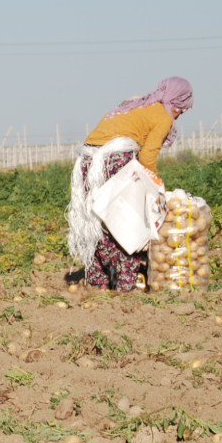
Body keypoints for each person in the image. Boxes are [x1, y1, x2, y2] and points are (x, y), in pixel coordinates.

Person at [68, 77, 193, 291]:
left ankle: (99, 278)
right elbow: (148, 157)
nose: (181, 113)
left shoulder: (138, 105)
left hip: (88, 162)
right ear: (175, 100)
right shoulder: (162, 116)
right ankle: (126, 283)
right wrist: (156, 187)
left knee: (98, 220)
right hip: (112, 160)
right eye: (182, 107)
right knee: (126, 221)